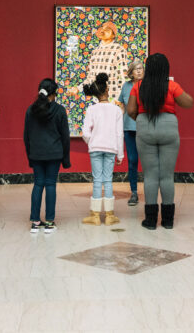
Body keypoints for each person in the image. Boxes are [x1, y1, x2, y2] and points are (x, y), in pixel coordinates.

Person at [125, 53, 193, 229]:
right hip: (168, 127)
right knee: (167, 175)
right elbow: (188, 103)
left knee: (150, 175)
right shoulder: (171, 86)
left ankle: (150, 220)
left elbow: (130, 110)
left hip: (145, 126)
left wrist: (141, 120)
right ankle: (168, 220)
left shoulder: (138, 86)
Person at [23, 78, 71, 233]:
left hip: (36, 153)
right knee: (50, 185)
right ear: (53, 94)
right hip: (54, 154)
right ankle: (49, 222)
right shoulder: (60, 110)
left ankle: (35, 222)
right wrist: (66, 159)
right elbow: (65, 137)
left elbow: (26, 136)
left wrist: (30, 155)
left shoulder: (31, 110)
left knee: (38, 184)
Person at [81, 73, 124, 226]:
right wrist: (120, 155)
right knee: (108, 180)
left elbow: (85, 132)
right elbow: (119, 134)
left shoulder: (91, 109)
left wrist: (92, 142)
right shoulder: (116, 110)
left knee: (97, 180)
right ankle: (110, 215)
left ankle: (95, 215)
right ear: (107, 90)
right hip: (111, 149)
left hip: (95, 149)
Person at [67, 21, 129, 103]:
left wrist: (121, 99)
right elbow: (90, 78)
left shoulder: (119, 50)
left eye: (107, 30)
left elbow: (122, 76)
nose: (103, 31)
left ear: (113, 35)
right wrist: (78, 89)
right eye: (102, 29)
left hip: (114, 99)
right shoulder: (95, 52)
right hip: (97, 100)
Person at [119, 59, 144, 206]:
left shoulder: (147, 86)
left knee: (148, 162)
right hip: (129, 129)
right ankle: (134, 192)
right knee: (132, 160)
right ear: (131, 72)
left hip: (145, 129)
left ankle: (151, 191)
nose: (139, 71)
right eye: (136, 69)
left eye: (141, 68)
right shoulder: (126, 86)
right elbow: (122, 106)